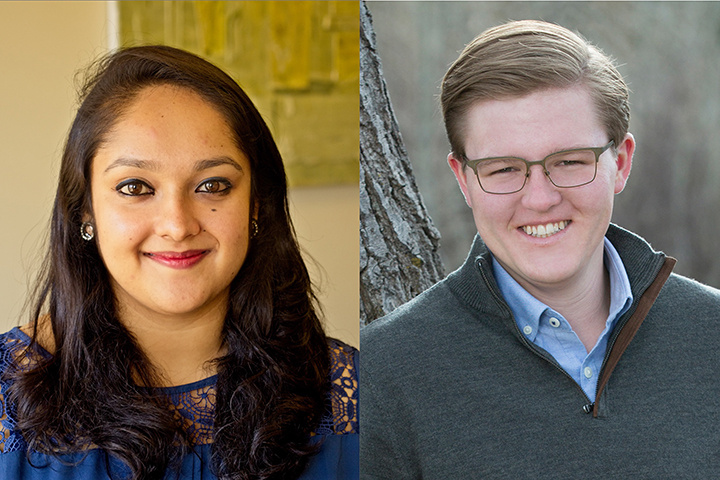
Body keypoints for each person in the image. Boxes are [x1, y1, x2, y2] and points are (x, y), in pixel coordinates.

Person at [360, 19, 720, 478]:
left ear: (621, 163)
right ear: (463, 179)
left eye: (569, 162)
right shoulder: (381, 376)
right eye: (504, 169)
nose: (540, 199)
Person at [0, 45, 358, 480]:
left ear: (256, 206)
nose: (177, 225)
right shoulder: (6, 401)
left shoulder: (353, 394)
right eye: (135, 187)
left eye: (212, 185)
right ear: (85, 211)